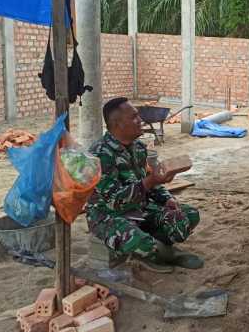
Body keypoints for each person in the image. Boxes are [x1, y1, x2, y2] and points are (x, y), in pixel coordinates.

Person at [86, 97, 203, 273]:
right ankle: (153, 253)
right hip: (108, 215)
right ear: (118, 124)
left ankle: (160, 248)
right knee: (142, 243)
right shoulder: (99, 155)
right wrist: (151, 181)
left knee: (189, 215)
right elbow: (115, 202)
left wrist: (168, 199)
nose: (140, 120)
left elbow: (151, 182)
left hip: (140, 208)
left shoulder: (138, 148)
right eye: (134, 117)